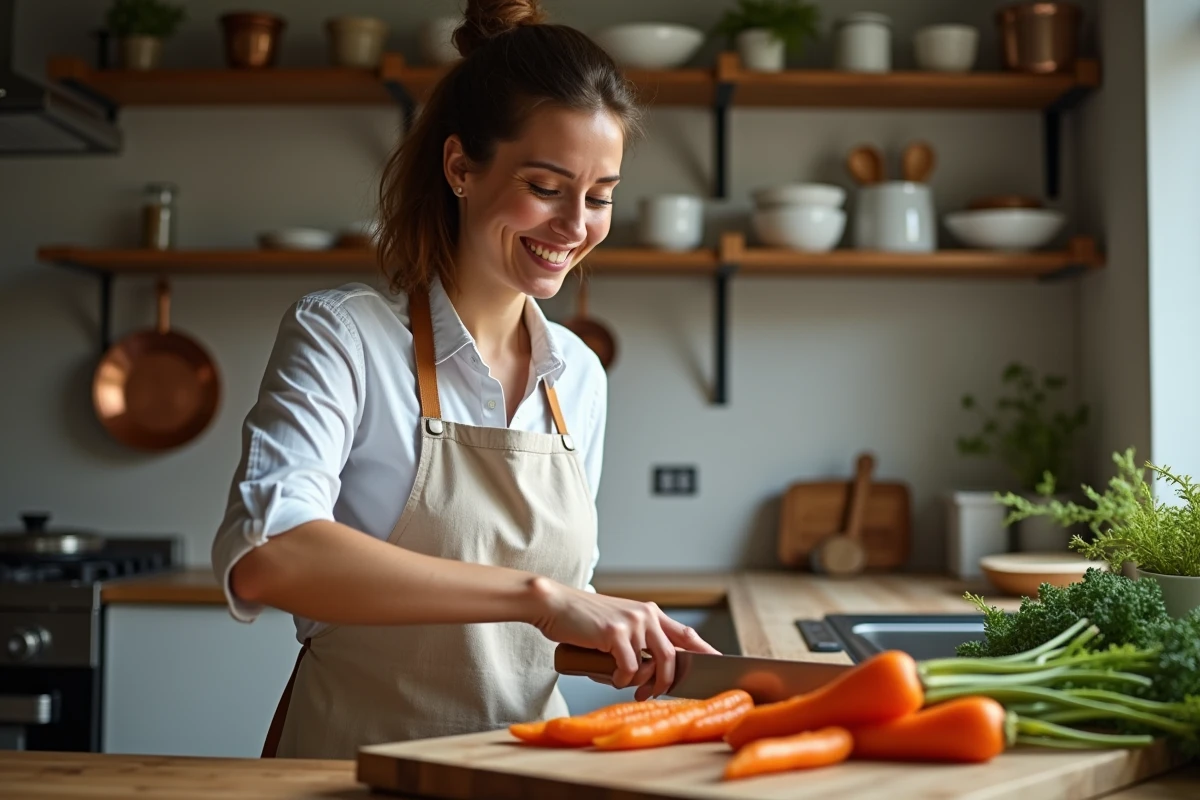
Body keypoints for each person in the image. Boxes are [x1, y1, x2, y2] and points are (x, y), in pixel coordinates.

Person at [210, 0, 719, 760]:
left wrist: (613, 641)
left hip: (527, 773)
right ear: (460, 168)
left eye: (601, 195)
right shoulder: (344, 337)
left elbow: (516, 651)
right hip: (348, 768)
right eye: (547, 187)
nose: (577, 225)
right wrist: (542, 599)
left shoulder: (578, 375)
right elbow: (268, 555)